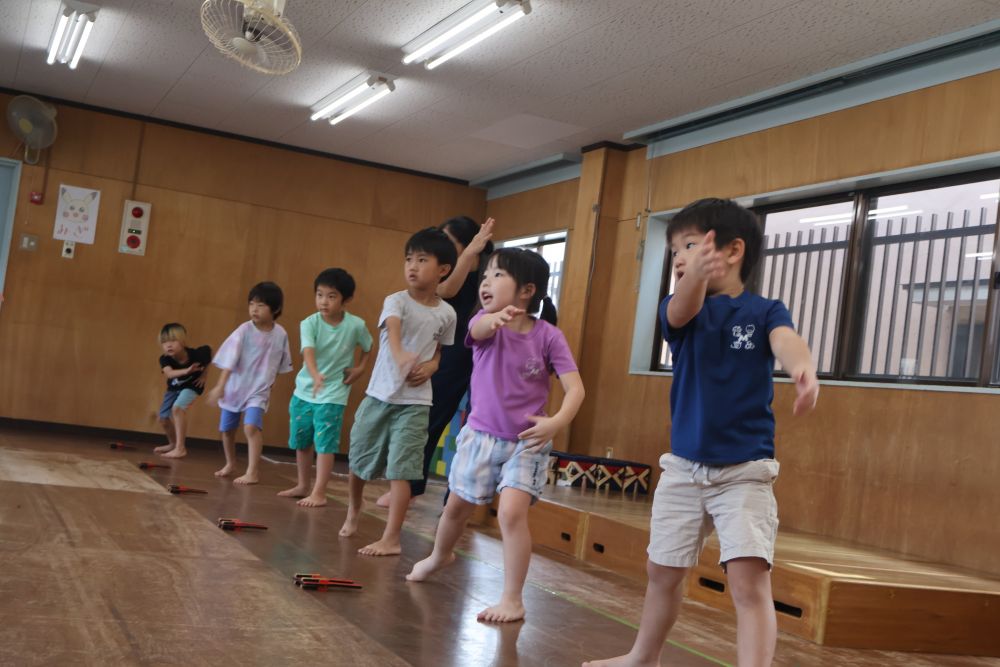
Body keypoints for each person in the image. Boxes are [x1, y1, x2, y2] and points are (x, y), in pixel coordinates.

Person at [584, 198, 819, 667]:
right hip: (685, 467)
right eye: (674, 251)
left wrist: (803, 368)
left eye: (689, 245)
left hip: (745, 470)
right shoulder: (681, 310)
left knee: (749, 582)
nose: (678, 258)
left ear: (733, 251)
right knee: (661, 570)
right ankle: (643, 656)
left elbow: (785, 339)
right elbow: (681, 308)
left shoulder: (764, 309)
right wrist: (692, 271)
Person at [406, 248, 585, 625]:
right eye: (485, 275)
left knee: (511, 514)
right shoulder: (483, 325)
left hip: (527, 442)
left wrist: (556, 422)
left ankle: (512, 599)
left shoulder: (549, 337)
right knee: (456, 509)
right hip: (481, 437)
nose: (486, 282)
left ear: (526, 290)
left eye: (497, 275)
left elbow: (575, 389)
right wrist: (494, 318)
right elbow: (476, 330)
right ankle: (440, 555)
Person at [339, 228, 457, 556]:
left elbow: (438, 351)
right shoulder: (396, 300)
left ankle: (391, 538)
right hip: (379, 395)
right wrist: (400, 351)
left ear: (443, 269)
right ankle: (354, 508)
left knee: (404, 468)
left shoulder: (447, 313)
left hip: (416, 402)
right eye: (409, 259)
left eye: (422, 260)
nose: (412, 266)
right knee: (358, 461)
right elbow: (391, 330)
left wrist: (432, 366)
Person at [376, 216, 495, 508]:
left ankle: (461, 496)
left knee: (478, 426)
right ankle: (411, 486)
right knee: (428, 420)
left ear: (471, 247)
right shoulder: (446, 275)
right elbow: (446, 291)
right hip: (451, 354)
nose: (442, 248)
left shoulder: (488, 274)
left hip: (482, 354)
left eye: (449, 242)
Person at [278, 268, 373, 507]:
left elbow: (369, 347)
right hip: (304, 391)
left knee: (325, 443)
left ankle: (319, 492)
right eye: (319, 295)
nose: (324, 301)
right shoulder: (309, 323)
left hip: (333, 394)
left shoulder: (355, 326)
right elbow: (308, 351)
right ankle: (302, 485)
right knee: (302, 441)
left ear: (345, 300)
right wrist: (314, 373)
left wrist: (360, 369)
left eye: (331, 296)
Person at [207, 281, 294, 485]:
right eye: (252, 304)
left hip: (258, 390)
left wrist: (270, 385)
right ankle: (230, 463)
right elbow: (230, 360)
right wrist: (221, 385)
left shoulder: (280, 334)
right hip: (235, 388)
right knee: (227, 430)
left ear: (276, 309)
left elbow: (280, 363)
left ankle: (252, 472)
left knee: (251, 427)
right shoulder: (244, 330)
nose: (254, 309)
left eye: (261, 305)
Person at [154, 323, 212, 459]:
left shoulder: (197, 354)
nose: (168, 345)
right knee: (163, 419)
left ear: (183, 341)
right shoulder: (165, 359)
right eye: (164, 342)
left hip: (192, 386)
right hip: (174, 387)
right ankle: (173, 444)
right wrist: (186, 371)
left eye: (173, 340)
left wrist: (204, 376)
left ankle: (180, 448)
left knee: (178, 408)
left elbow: (210, 350)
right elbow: (169, 374)